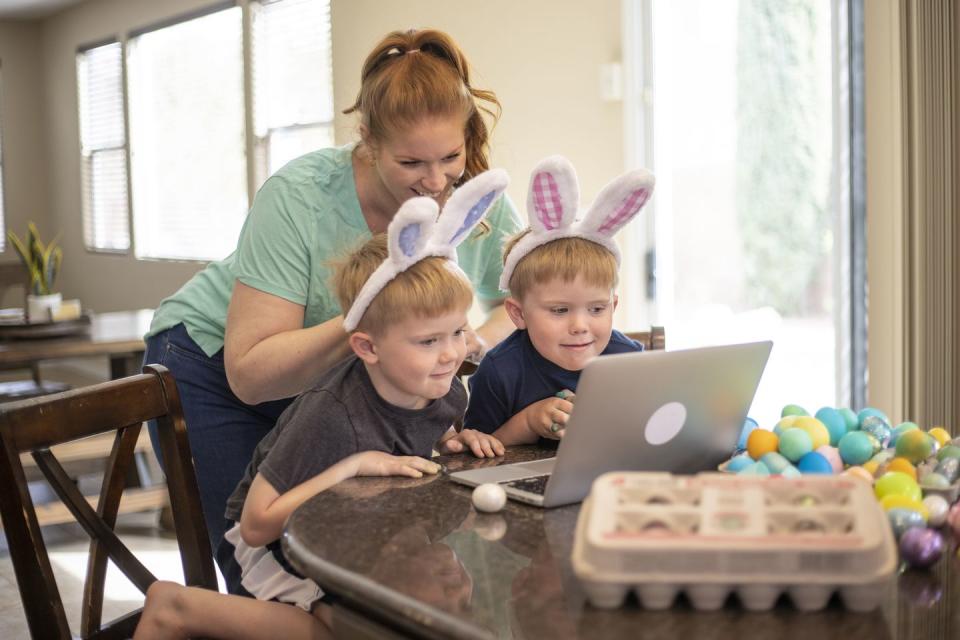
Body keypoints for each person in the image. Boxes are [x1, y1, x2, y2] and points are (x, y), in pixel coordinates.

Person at [142, 28, 522, 559]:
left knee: (362, 560)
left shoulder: (473, 199)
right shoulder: (301, 197)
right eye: (411, 164)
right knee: (262, 561)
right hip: (211, 366)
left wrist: (468, 340)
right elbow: (250, 376)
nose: (436, 183)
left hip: (331, 387)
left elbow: (518, 306)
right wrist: (378, 317)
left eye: (449, 157)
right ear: (368, 140)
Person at [133, 176, 506, 639]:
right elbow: (255, 524)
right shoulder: (332, 415)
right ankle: (176, 607)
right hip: (276, 545)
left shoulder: (444, 389)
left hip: (356, 537)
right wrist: (354, 466)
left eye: (457, 332)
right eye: (429, 341)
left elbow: (424, 432)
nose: (451, 354)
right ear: (366, 348)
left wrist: (455, 438)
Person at [463, 155, 656, 443]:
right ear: (518, 314)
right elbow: (476, 454)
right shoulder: (499, 372)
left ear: (613, 306)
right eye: (560, 310)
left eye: (597, 309)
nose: (580, 325)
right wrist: (527, 422)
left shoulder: (628, 361)